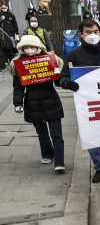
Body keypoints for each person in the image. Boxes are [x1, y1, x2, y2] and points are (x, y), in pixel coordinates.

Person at [59, 19, 100, 183]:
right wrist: (68, 83)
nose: (93, 35)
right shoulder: (74, 54)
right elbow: (62, 77)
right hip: (88, 104)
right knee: (91, 133)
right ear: (81, 34)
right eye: (88, 32)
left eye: (96, 31)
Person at [10, 35, 65, 171]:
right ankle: (47, 154)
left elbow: (58, 83)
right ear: (22, 49)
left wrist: (58, 74)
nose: (29, 50)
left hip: (51, 101)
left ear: (39, 48)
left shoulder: (50, 60)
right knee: (42, 133)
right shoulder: (19, 65)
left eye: (32, 47)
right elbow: (18, 87)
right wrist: (18, 103)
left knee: (56, 134)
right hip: (32, 103)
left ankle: (60, 162)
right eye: (26, 47)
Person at [0, 4, 19, 72]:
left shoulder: (10, 15)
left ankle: (14, 65)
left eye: (5, 7)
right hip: (2, 38)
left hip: (9, 36)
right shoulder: (1, 19)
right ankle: (2, 65)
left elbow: (14, 23)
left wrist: (16, 32)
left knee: (10, 52)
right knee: (2, 53)